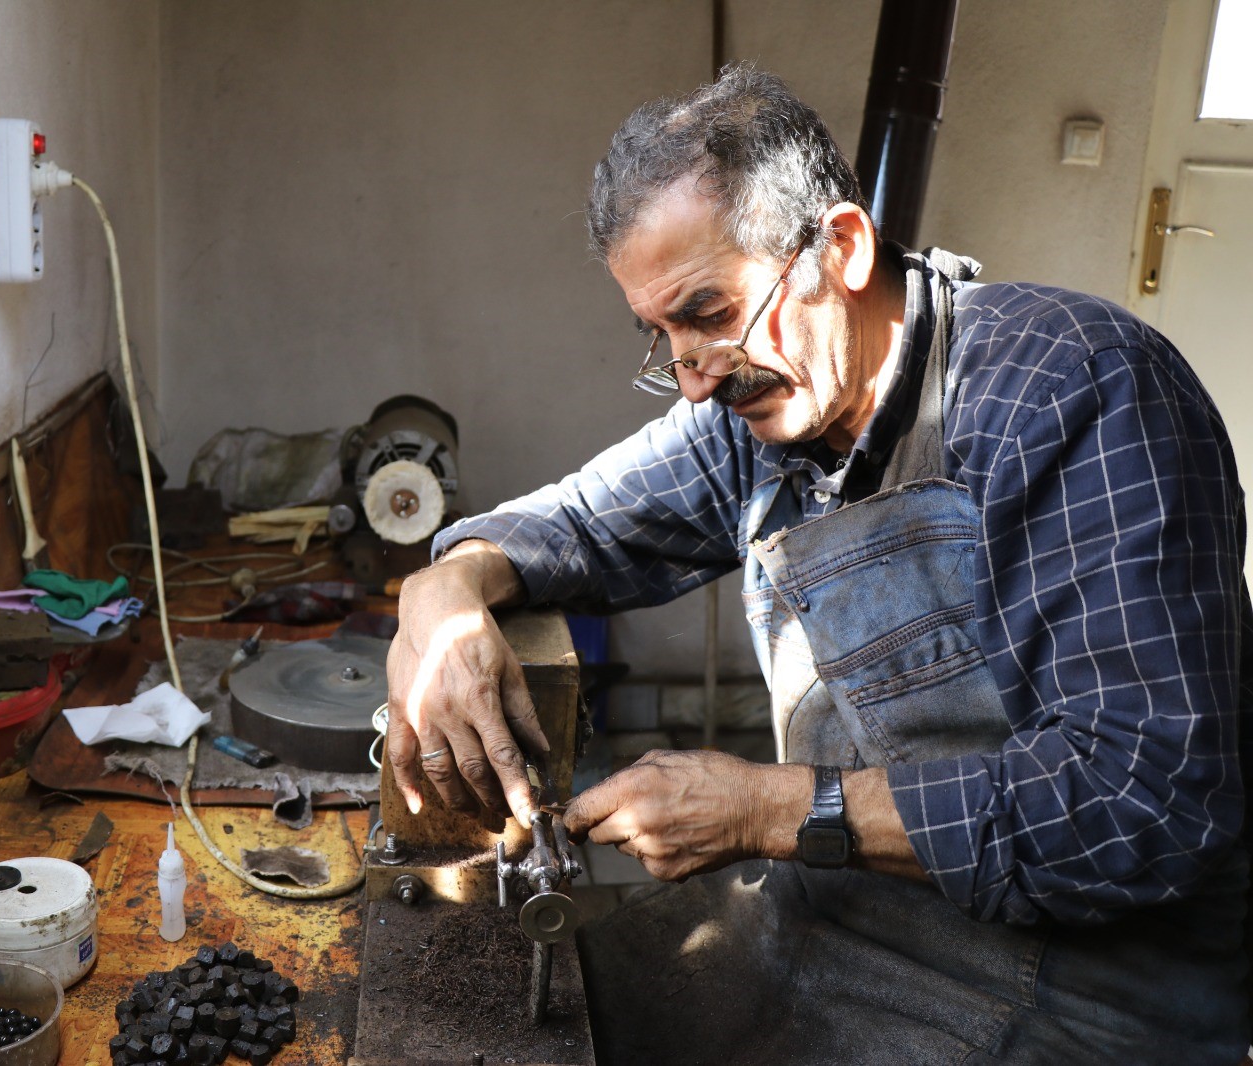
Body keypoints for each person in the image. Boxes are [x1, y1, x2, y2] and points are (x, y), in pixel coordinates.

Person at [385, 65, 1252, 1064]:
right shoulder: (753, 418)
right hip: (827, 917)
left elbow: (1143, 805)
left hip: (1088, 999)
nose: (697, 382)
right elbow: (575, 524)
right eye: (661, 338)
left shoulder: (1069, 390)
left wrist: (769, 808)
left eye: (709, 313)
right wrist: (442, 590)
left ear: (839, 247)